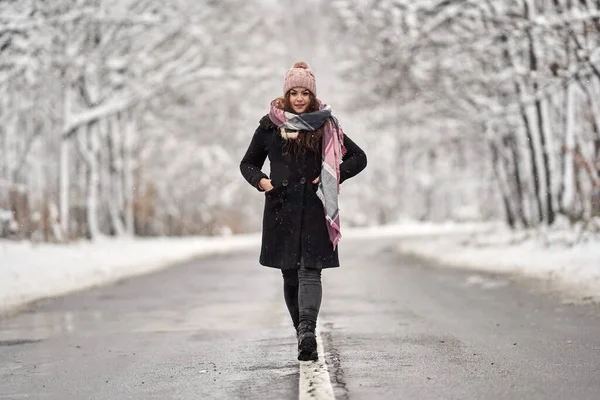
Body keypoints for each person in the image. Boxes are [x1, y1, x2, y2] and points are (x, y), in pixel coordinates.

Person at [239, 61, 367, 361]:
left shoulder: (326, 125)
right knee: (289, 274)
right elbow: (248, 163)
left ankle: (307, 331)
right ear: (286, 95)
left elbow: (358, 158)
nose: (298, 98)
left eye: (304, 93)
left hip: (314, 207)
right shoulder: (269, 126)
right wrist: (262, 182)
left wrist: (332, 175)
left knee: (310, 271)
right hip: (280, 208)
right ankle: (303, 335)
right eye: (293, 92)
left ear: (312, 96)